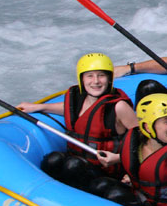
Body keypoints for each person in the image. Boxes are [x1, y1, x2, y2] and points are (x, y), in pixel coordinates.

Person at [18, 53, 138, 186]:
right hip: (80, 162)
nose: (96, 81)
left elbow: (144, 139)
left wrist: (119, 158)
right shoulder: (78, 100)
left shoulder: (119, 107)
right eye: (90, 76)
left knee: (73, 165)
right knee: (53, 160)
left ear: (110, 79)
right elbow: (70, 110)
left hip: (108, 171)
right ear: (82, 79)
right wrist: (39, 107)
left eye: (101, 75)